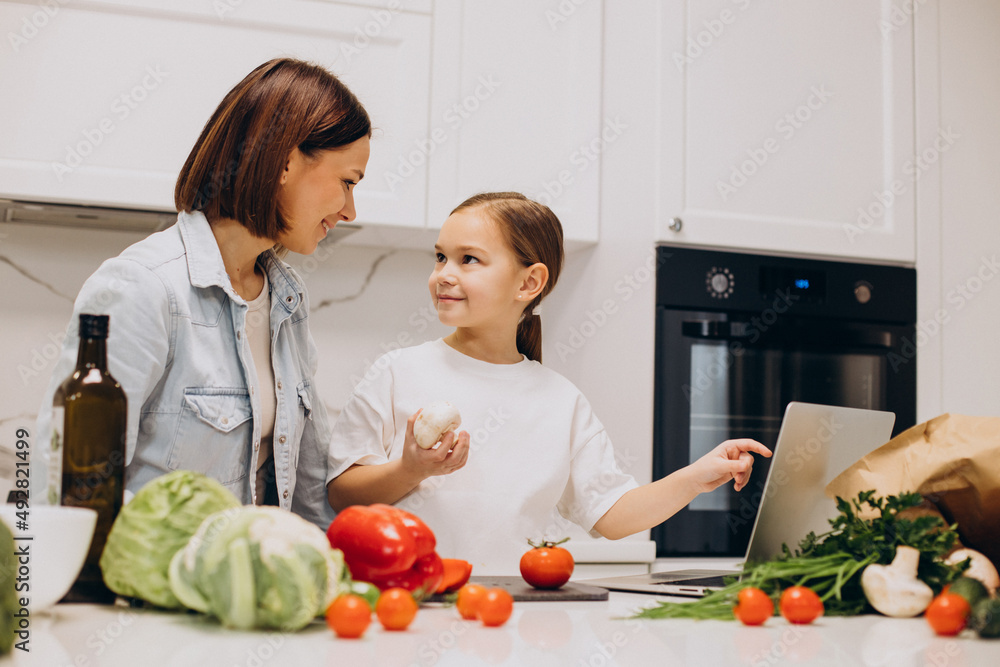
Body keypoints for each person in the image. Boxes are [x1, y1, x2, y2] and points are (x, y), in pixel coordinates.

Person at [325, 192, 771, 573]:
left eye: (469, 260)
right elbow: (341, 494)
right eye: (440, 256)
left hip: (513, 618)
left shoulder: (560, 399)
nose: (444, 273)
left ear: (529, 282)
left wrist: (694, 477)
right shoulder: (398, 371)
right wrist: (412, 469)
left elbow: (611, 515)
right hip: (405, 607)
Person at [34, 58, 370, 528]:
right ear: (287, 162)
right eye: (347, 182)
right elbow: (70, 488)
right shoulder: (142, 287)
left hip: (242, 593)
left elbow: (308, 491)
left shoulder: (286, 301)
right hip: (144, 595)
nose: (350, 209)